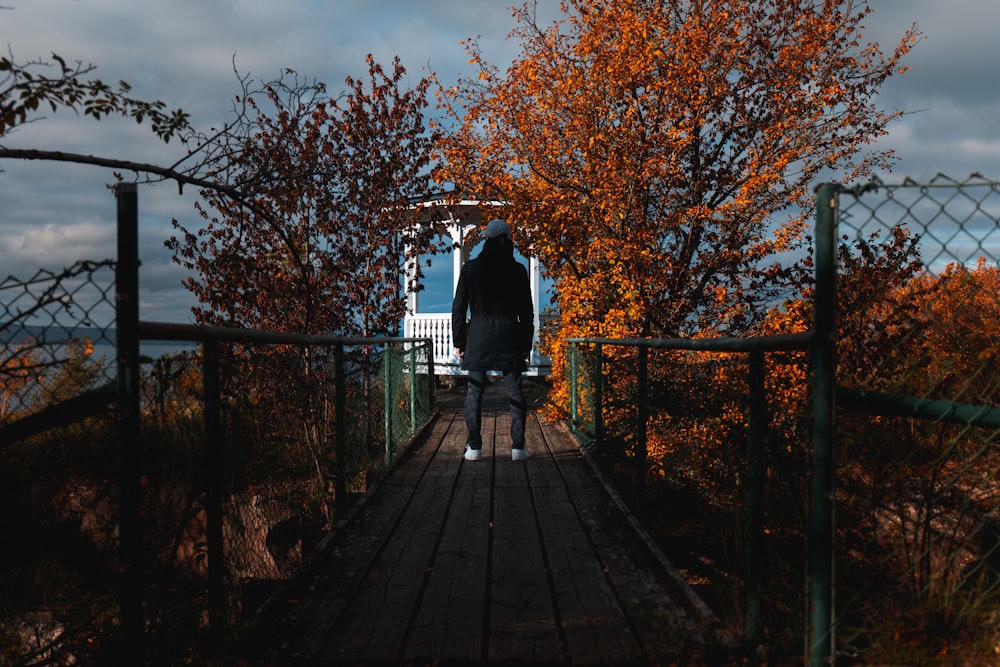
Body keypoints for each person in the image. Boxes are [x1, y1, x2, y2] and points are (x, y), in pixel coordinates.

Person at [451, 218, 535, 461]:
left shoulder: (471, 269)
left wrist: (460, 341)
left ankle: (474, 447)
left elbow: (459, 309)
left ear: (486, 239)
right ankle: (518, 448)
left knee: (473, 393)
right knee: (515, 392)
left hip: (478, 335)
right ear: (507, 239)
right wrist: (525, 345)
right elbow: (527, 313)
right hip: (509, 335)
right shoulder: (518, 270)